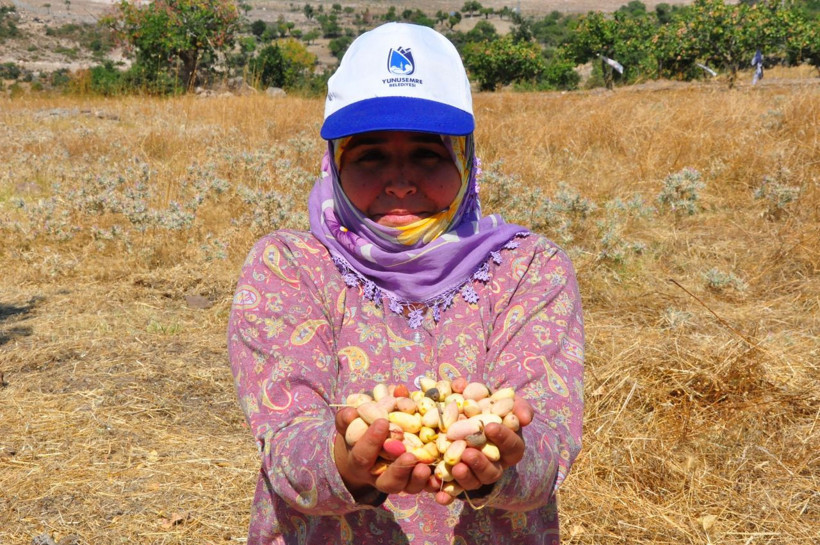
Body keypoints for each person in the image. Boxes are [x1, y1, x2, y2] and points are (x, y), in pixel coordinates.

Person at [228, 22, 584, 545]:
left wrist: (508, 460)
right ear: (334, 163)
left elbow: (548, 443)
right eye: (370, 156)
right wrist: (347, 462)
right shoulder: (289, 266)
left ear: (464, 160)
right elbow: (286, 446)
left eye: (428, 154)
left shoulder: (530, 269)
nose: (399, 181)